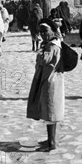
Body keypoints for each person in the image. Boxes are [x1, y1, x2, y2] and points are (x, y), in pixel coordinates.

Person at [26, 19, 65, 152]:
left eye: (45, 31)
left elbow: (44, 59)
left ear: (52, 31)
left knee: (50, 111)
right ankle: (50, 140)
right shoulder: (52, 43)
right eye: (41, 32)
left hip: (50, 81)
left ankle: (51, 143)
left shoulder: (52, 46)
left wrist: (40, 52)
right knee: (49, 110)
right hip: (50, 79)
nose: (43, 34)